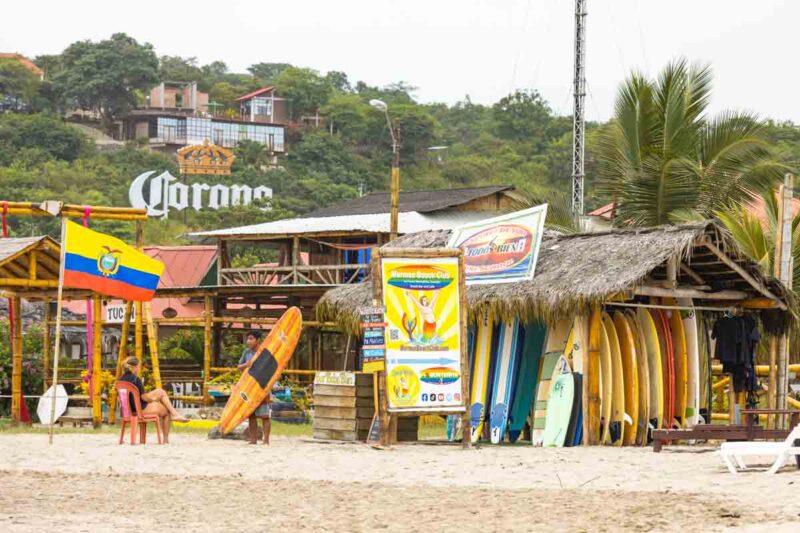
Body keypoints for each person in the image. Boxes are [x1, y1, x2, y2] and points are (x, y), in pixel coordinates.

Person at [118, 356, 188, 444]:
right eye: (139, 366)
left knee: (160, 392)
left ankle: (175, 414)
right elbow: (144, 398)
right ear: (134, 367)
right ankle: (166, 438)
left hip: (128, 411)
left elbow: (134, 396)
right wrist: (153, 400)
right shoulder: (136, 379)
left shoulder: (120, 380)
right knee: (166, 411)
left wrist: (152, 398)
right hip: (139, 410)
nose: (139, 369)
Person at [238, 330, 272, 445]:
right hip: (249, 386)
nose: (248, 341)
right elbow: (239, 367)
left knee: (264, 415)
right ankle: (253, 440)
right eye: (248, 339)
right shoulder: (246, 352)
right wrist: (246, 365)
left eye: (251, 339)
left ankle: (266, 440)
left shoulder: (264, 352)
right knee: (251, 415)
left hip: (262, 385)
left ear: (258, 340)